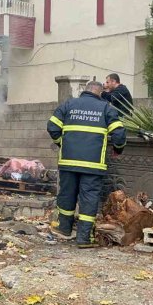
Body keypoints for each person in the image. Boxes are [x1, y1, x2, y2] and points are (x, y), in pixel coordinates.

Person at [47, 81, 126, 248]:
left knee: (67, 194)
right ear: (100, 92)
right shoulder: (106, 108)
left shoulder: (69, 104)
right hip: (93, 164)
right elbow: (119, 133)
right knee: (89, 198)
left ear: (85, 91)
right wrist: (118, 149)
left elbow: (52, 126)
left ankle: (64, 228)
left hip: (68, 161)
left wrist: (62, 143)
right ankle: (83, 238)